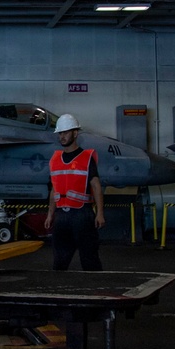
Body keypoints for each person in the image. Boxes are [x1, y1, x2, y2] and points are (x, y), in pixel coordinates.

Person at [44, 113, 105, 271]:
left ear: (75, 133)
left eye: (65, 132)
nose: (62, 136)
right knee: (59, 263)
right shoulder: (55, 159)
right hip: (61, 217)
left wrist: (99, 213)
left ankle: (98, 292)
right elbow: (54, 189)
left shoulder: (86, 157)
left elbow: (96, 185)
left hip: (82, 215)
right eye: (60, 133)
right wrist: (50, 214)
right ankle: (59, 294)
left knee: (89, 259)